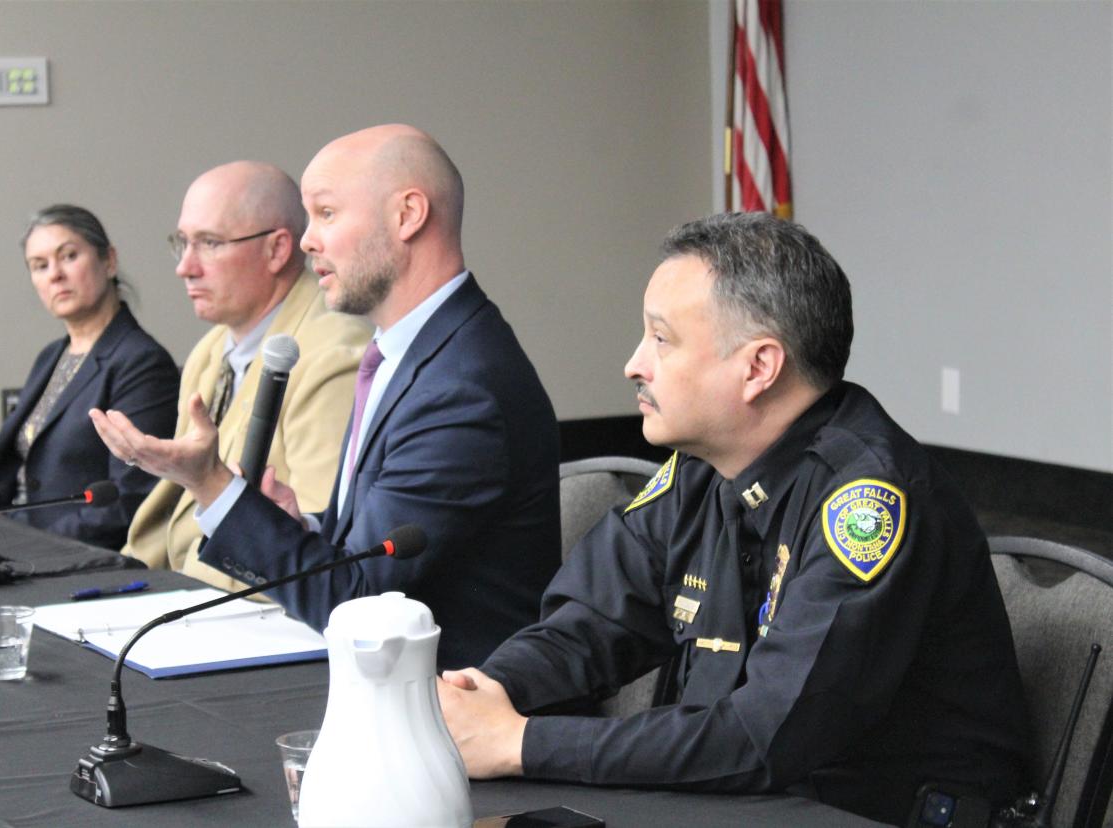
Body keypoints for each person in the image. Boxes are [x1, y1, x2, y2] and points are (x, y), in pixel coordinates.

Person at [437, 213, 1029, 825]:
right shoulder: (699, 470)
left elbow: (763, 737)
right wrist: (480, 696)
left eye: (661, 340)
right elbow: (588, 623)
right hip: (751, 803)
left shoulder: (869, 503)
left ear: (758, 368)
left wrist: (518, 743)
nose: (634, 364)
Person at [91, 124, 561, 669]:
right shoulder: (405, 352)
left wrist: (211, 483)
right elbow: (368, 549)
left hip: (446, 716)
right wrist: (302, 529)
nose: (308, 239)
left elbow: (358, 600)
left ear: (407, 215)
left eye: (327, 214)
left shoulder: (460, 389)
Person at [120, 161, 371, 591]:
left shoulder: (334, 356)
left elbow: (318, 547)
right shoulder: (212, 348)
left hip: (251, 614)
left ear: (276, 250)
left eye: (210, 243)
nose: (186, 267)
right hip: (181, 594)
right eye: (182, 243)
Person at [0, 204, 179, 549]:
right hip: (8, 544)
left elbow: (128, 501)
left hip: (70, 555)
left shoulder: (141, 362)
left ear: (109, 261)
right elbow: (5, 470)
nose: (54, 274)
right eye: (39, 266)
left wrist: (23, 544)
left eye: (68, 256)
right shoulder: (51, 356)